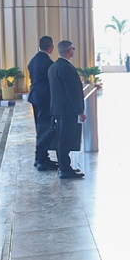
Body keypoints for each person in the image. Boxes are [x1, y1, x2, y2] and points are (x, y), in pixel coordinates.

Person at [46, 40, 87, 180]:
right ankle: (65, 169)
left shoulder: (53, 67)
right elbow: (72, 92)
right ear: (69, 51)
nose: (74, 51)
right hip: (67, 110)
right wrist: (80, 111)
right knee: (66, 140)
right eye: (73, 48)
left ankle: (64, 167)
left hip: (58, 109)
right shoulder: (67, 68)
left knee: (62, 139)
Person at [27, 36, 60, 172]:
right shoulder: (48, 63)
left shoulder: (33, 60)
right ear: (51, 47)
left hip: (35, 97)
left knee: (40, 127)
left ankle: (40, 157)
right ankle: (42, 160)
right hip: (45, 98)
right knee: (45, 128)